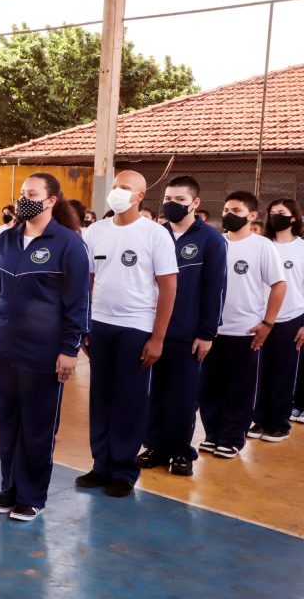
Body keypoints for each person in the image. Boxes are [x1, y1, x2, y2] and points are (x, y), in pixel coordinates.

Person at [0, 173, 88, 520]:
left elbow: (78, 301)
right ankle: (9, 488)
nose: (24, 199)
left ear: (51, 200)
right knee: (8, 423)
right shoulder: (4, 241)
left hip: (43, 350)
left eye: (32, 194)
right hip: (4, 345)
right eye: (22, 193)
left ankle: (32, 494)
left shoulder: (68, 244)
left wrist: (70, 348)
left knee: (38, 426)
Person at [78, 171, 177, 497]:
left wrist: (158, 338)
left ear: (140, 195)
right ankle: (101, 464)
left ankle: (123, 469)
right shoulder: (95, 231)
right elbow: (88, 281)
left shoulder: (155, 234)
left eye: (125, 188)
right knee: (101, 398)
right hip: (101, 325)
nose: (117, 192)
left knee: (130, 400)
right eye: (116, 186)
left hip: (137, 327)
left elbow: (168, 287)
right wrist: (86, 325)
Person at [138, 176, 226, 477]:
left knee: (183, 395)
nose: (172, 205)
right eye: (168, 199)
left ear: (195, 203)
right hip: (150, 330)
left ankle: (180, 450)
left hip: (188, 334)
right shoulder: (153, 234)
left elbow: (215, 289)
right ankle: (153, 445)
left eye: (180, 200)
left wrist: (206, 333)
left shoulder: (210, 240)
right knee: (154, 392)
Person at [200, 191, 286, 458]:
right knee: (209, 386)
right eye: (226, 209)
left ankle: (232, 438)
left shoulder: (262, 246)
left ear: (252, 216)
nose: (228, 214)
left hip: (245, 330)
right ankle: (212, 434)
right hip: (212, 329)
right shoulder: (215, 243)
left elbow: (279, 285)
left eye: (236, 210)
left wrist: (267, 323)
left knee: (240, 387)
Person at [250, 198, 304, 442]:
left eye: (281, 213)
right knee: (262, 370)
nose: (275, 217)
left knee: (284, 371)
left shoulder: (301, 247)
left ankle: (279, 423)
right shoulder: (262, 244)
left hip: (292, 316)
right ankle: (260, 419)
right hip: (261, 317)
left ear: (294, 217)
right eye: (271, 213)